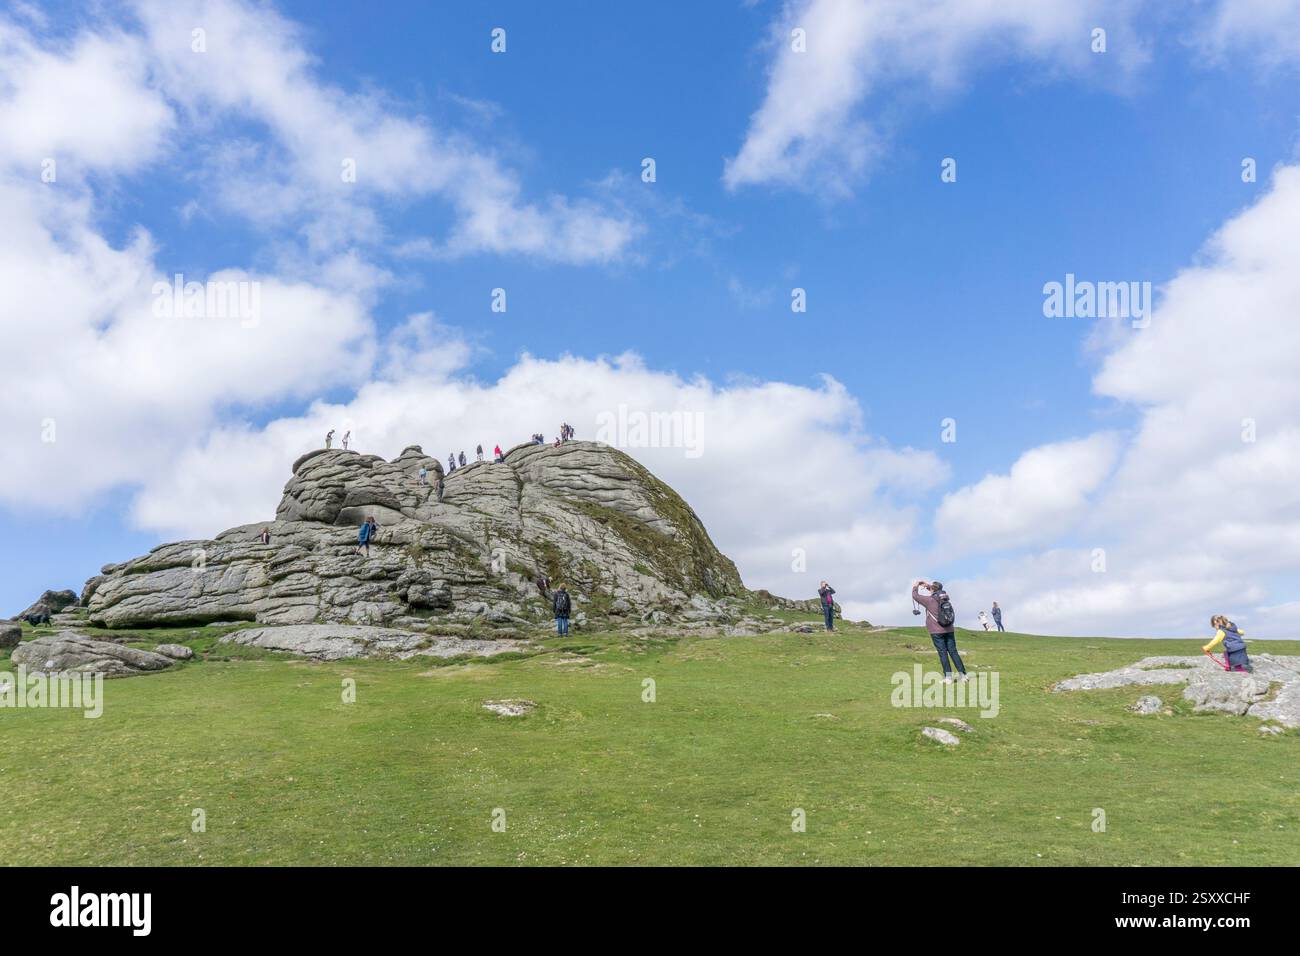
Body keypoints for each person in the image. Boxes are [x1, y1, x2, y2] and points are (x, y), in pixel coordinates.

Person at [912, 579, 967, 683]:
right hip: (949, 629)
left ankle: (948, 677)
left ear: (932, 589)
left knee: (943, 653)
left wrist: (916, 586)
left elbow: (915, 596)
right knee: (953, 652)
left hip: (936, 631)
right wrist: (929, 586)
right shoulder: (945, 598)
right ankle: (963, 675)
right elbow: (936, 591)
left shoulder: (929, 600)